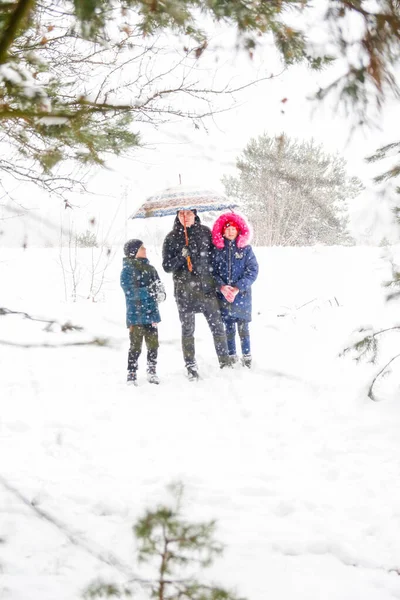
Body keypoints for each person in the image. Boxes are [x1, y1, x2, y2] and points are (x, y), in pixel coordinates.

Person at [162, 209, 233, 380]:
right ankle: (190, 365)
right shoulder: (171, 237)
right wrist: (181, 255)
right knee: (187, 331)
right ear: (177, 216)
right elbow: (166, 266)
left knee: (217, 327)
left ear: (195, 214)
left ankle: (224, 362)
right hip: (184, 292)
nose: (184, 217)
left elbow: (216, 259)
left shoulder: (205, 232)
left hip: (207, 290)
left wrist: (219, 282)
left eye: (188, 214)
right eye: (180, 214)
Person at [211, 212, 259, 368]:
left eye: (233, 229)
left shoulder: (246, 250)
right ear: (222, 231)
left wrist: (239, 287)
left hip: (242, 296)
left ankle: (247, 356)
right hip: (224, 296)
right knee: (229, 327)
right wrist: (221, 286)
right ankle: (231, 355)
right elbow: (212, 272)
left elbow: (252, 270)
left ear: (239, 231)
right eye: (227, 229)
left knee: (243, 328)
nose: (230, 232)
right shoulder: (217, 250)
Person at [120, 239, 166, 386]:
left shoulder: (151, 269)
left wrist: (161, 293)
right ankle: (131, 373)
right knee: (135, 346)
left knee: (153, 345)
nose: (145, 249)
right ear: (133, 252)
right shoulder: (127, 271)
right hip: (136, 316)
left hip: (151, 313)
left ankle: (151, 370)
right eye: (141, 248)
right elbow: (130, 292)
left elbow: (159, 286)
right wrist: (149, 291)